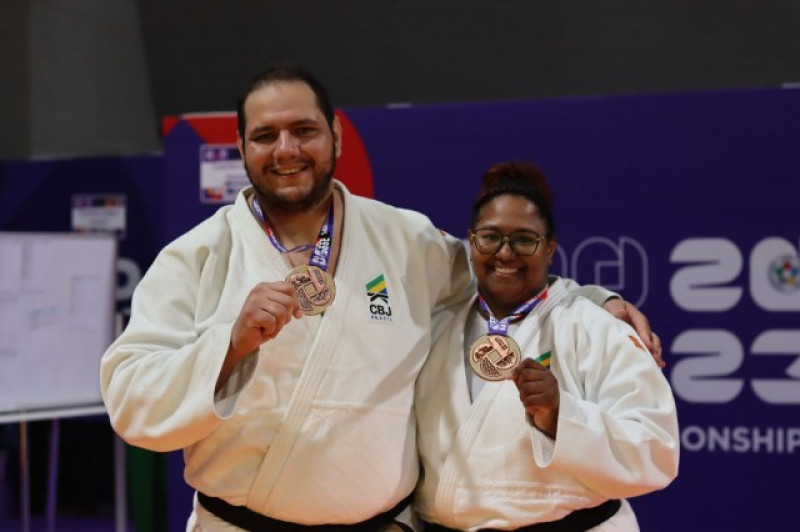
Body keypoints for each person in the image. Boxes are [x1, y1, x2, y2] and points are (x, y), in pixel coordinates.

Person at [100, 65, 662, 531]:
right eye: (266, 136)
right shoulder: (196, 256)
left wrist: (595, 298)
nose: (286, 149)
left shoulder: (404, 239)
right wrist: (230, 345)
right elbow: (130, 398)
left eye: (304, 130)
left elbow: (502, 274)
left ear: (336, 137)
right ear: (242, 147)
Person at [414, 162, 679, 531]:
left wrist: (561, 416)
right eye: (490, 237)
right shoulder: (437, 323)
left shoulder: (597, 327)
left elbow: (657, 452)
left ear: (550, 248)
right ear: (470, 243)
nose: (505, 253)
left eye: (524, 240)